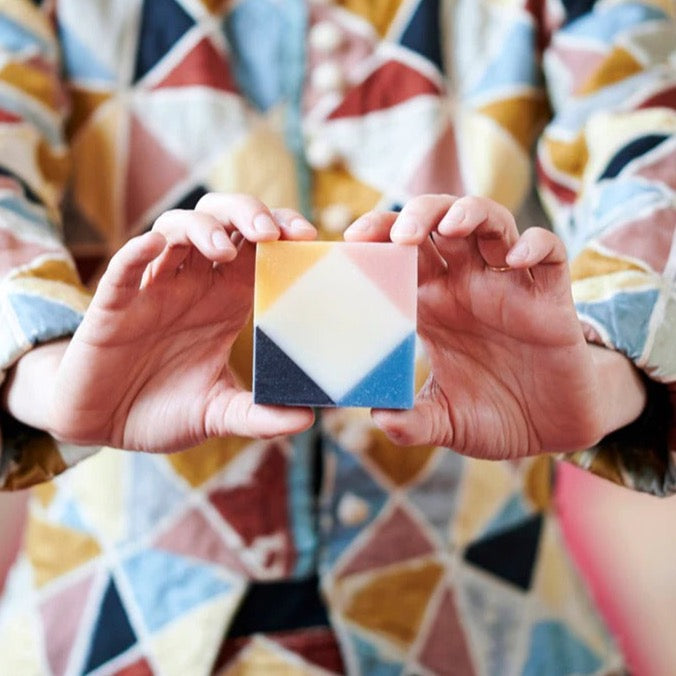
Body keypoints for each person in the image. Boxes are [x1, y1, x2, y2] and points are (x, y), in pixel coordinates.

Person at [0, 0, 673, 674]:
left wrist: (607, 377)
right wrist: (49, 378)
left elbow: (652, 139)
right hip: (103, 625)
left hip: (494, 626)